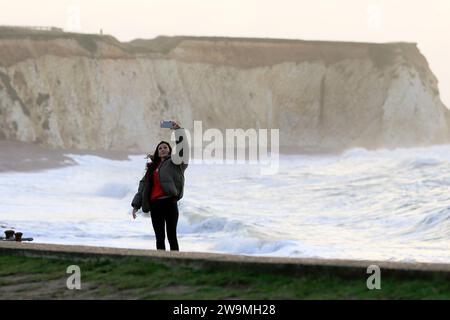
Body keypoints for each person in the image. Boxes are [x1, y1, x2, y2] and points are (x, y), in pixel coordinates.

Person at [131, 121, 189, 251]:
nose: (163, 149)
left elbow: (183, 150)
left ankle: (175, 263)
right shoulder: (151, 169)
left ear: (170, 150)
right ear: (157, 152)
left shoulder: (175, 164)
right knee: (159, 237)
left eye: (165, 147)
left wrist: (178, 131)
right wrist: (136, 205)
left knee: (171, 236)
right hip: (155, 206)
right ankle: (161, 262)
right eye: (160, 148)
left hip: (169, 203)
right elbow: (142, 188)